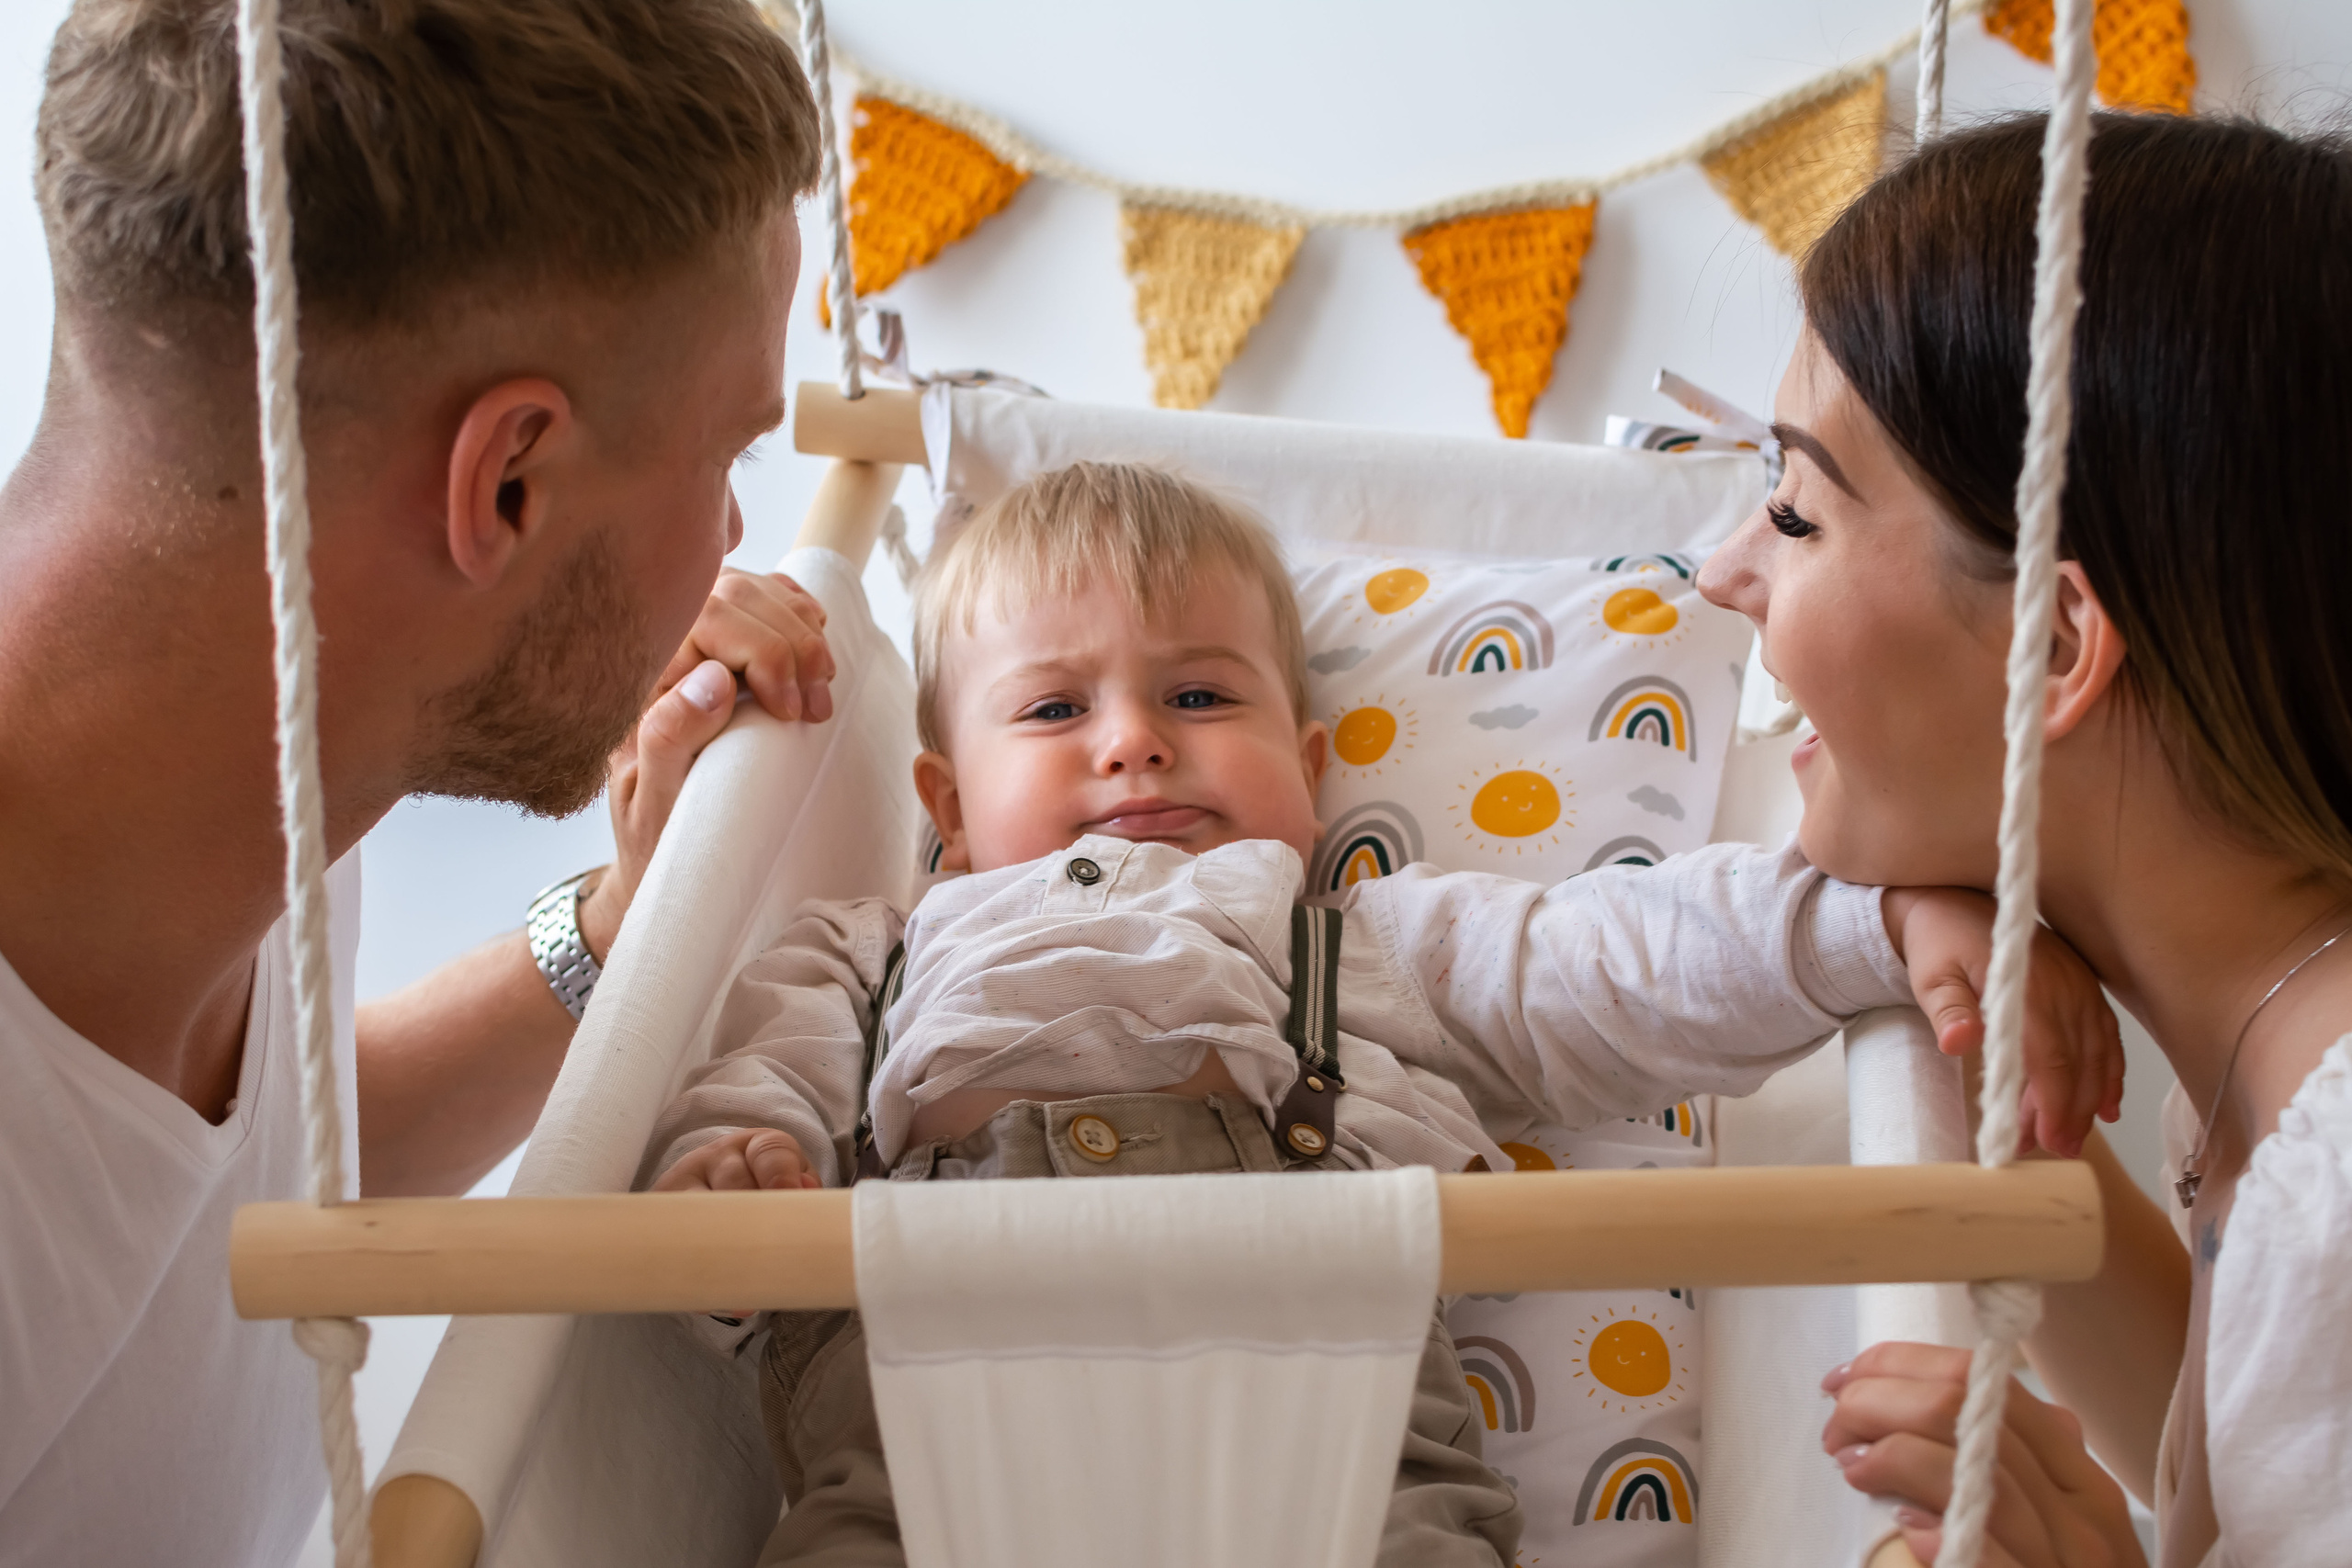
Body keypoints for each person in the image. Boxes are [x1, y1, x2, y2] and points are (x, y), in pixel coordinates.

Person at [644, 461, 2127, 1568]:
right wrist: (732, 1171)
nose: (1135, 741)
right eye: (1053, 711)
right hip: (925, 1455)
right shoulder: (874, 954)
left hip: (1342, 1461)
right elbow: (754, 1097)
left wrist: (1881, 920)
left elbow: (1628, 957)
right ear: (949, 808)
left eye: (1200, 697)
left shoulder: (1365, 948)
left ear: (1307, 769)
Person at [0, 4, 837, 1564]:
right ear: (505, 480)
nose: (731, 538)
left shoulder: (260, 699)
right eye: (726, 456)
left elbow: (257, 1170)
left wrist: (618, 928)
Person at [1695, 113, 2352, 1568]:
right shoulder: (2271, 1063)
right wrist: (1983, 1055)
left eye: (1793, 512)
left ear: (2053, 646)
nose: (1720, 571)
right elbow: (2248, 1435)